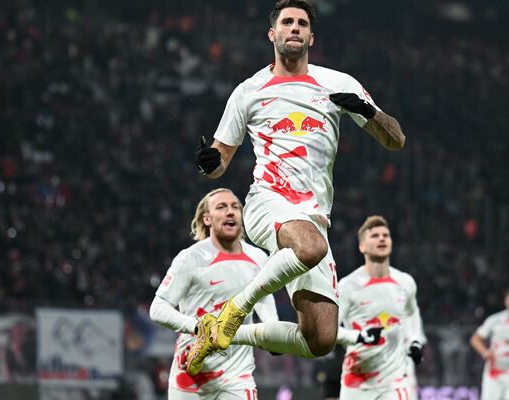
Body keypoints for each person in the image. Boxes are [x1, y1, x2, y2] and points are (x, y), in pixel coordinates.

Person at [186, 0, 406, 375]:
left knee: (319, 339)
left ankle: (220, 331)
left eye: (302, 23)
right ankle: (234, 310)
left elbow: (395, 140)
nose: (294, 28)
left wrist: (369, 113)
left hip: (313, 215)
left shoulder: (338, 83)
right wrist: (209, 163)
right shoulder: (249, 91)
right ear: (273, 34)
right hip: (267, 202)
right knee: (311, 246)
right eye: (287, 22)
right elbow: (219, 162)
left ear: (311, 37)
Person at [149, 188, 279, 399]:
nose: (231, 212)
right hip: (190, 374)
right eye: (222, 207)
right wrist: (196, 327)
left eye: (235, 207)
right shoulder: (190, 258)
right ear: (207, 219)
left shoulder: (258, 258)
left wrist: (272, 331)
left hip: (237, 376)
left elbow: (263, 297)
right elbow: (158, 309)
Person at [334, 216, 425, 399]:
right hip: (358, 382)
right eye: (374, 235)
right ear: (362, 247)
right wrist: (358, 336)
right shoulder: (347, 286)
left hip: (395, 382)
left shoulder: (405, 282)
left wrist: (415, 340)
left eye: (386, 235)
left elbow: (412, 312)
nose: (382, 238)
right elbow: (329, 332)